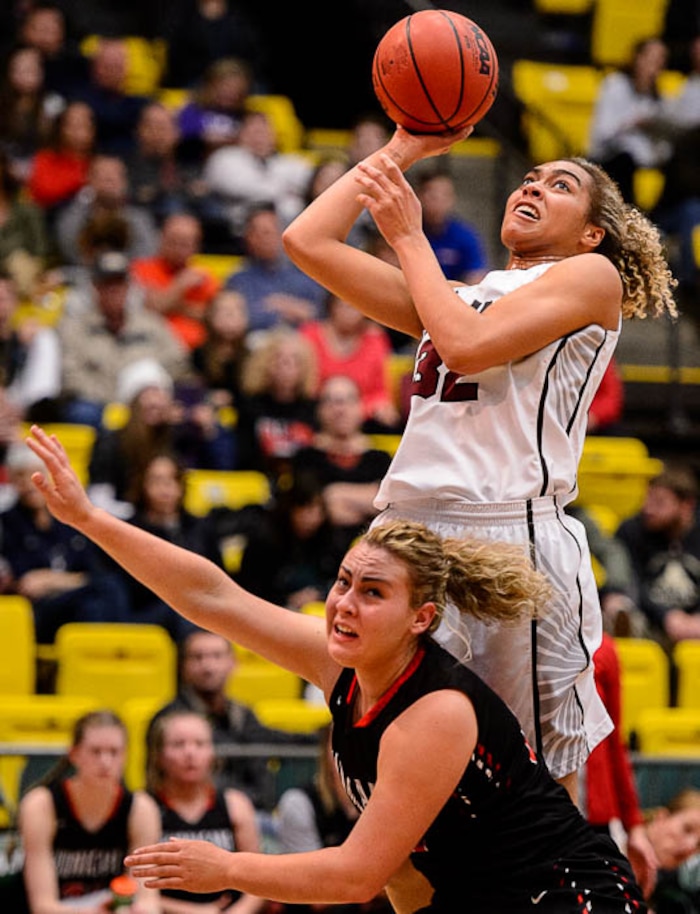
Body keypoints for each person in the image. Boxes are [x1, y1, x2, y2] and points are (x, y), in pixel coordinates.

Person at [22, 426, 649, 913]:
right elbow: (212, 597)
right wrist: (89, 520)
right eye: (344, 582)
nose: (345, 603)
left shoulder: (436, 712)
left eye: (373, 593)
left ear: (420, 618)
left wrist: (229, 867)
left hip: (570, 895)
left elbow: (357, 876)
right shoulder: (337, 662)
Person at [280, 123, 677, 800]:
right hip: (407, 536)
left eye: (561, 184)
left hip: (503, 534)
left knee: (522, 780)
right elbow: (307, 242)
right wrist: (402, 148)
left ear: (591, 232)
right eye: (531, 176)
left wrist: (409, 236)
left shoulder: (590, 275)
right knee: (396, 770)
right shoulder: (460, 298)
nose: (533, 184)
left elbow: (465, 347)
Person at [148, 629, 317, 810]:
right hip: (193, 813)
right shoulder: (170, 719)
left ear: (232, 663)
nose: (208, 666)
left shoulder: (242, 714)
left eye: (217, 656)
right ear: (183, 666)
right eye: (197, 657)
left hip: (253, 810)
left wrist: (326, 734)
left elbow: (276, 739)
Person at [18, 709, 162, 913]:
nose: (105, 762)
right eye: (95, 752)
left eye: (114, 752)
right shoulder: (41, 805)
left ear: (126, 755)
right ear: (74, 754)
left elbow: (148, 899)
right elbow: (43, 907)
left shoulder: (141, 808)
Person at [0, 441, 131, 644]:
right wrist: (77, 580)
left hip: (80, 603)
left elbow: (95, 571)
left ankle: (107, 656)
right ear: (12, 482)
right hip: (38, 613)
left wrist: (51, 580)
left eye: (36, 475)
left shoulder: (69, 520)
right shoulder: (6, 523)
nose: (29, 483)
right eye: (20, 476)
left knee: (98, 600)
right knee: (104, 592)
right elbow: (26, 584)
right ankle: (116, 651)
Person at [146, 709, 267, 914]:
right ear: (159, 755)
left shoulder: (235, 804)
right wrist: (193, 911)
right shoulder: (146, 807)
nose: (190, 753)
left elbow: (258, 881)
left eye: (200, 744)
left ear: (212, 753)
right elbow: (135, 888)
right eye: (178, 744)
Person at [88, 356, 235, 515]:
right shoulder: (110, 442)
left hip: (169, 522)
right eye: (146, 394)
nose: (154, 402)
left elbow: (222, 468)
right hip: (124, 520)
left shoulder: (177, 437)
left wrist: (208, 431)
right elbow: (99, 499)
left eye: (159, 393)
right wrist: (135, 518)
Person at [58, 251, 189, 427]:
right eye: (107, 283)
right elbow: (71, 376)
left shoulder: (151, 323)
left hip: (148, 405)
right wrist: (117, 399)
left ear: (129, 286)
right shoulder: (74, 327)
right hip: (99, 407)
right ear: (95, 287)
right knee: (81, 412)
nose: (114, 289)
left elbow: (178, 361)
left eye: (119, 282)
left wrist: (150, 394)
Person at [583, 632, 659, 899]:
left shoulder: (602, 646)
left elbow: (615, 742)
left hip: (596, 820)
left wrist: (634, 827)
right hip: (541, 812)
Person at [290, 375, 392, 553]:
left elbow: (391, 510)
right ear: (319, 409)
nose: (340, 409)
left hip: (375, 554)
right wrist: (368, 504)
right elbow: (310, 516)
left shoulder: (379, 459)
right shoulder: (306, 458)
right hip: (319, 555)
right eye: (332, 401)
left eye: (348, 400)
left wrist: (335, 494)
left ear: (360, 407)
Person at [615, 464, 700, 647]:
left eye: (659, 502)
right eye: (647, 499)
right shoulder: (631, 531)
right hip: (648, 619)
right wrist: (666, 616)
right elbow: (630, 584)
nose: (648, 509)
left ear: (687, 505)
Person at [588, 37, 675, 204]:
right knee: (625, 160)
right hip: (609, 159)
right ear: (637, 58)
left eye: (660, 62)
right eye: (652, 59)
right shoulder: (615, 85)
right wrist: (634, 123)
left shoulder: (660, 100)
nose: (655, 67)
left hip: (644, 162)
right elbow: (603, 133)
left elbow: (662, 149)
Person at [300, 293, 401, 432]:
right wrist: (333, 407)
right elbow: (304, 388)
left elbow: (380, 392)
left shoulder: (375, 338)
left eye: (354, 306)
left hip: (362, 416)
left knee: (389, 418)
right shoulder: (310, 334)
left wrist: (355, 409)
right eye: (343, 305)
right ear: (331, 306)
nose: (349, 312)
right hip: (316, 410)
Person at [203, 110, 313, 238]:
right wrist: (286, 191)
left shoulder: (293, 162)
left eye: (264, 131)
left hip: (289, 231)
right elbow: (241, 187)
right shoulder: (224, 157)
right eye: (253, 132)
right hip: (239, 231)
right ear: (240, 135)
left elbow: (311, 186)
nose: (259, 137)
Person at [224, 204, 326, 335]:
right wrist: (278, 312)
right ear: (249, 238)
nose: (268, 239)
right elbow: (235, 319)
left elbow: (325, 315)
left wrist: (292, 307)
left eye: (274, 231)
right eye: (263, 233)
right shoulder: (238, 280)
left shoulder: (305, 276)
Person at [234, 327, 317, 481]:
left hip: (303, 484)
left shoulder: (313, 408)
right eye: (278, 359)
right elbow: (243, 456)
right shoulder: (249, 405)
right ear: (265, 364)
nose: (285, 366)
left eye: (294, 361)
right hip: (260, 481)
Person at [131, 213, 222, 351]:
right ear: (162, 239)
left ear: (196, 246)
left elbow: (215, 316)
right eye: (174, 241)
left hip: (198, 350)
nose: (179, 248)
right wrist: (181, 284)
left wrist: (169, 302)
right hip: (153, 346)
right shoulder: (140, 269)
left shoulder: (204, 276)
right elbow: (150, 309)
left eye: (185, 243)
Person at [55, 154, 159, 267]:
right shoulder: (73, 218)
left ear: (126, 182)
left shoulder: (140, 218)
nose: (111, 180)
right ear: (89, 180)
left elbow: (147, 255)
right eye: (104, 176)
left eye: (117, 175)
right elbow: (73, 254)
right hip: (85, 276)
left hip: (131, 278)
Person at [414, 166, 488, 284]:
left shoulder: (465, 235)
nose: (440, 201)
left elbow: (476, 276)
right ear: (419, 196)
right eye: (434, 195)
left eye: (446, 195)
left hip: (452, 296)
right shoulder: (406, 231)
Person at [27, 99, 95, 221]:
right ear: (61, 128)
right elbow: (44, 191)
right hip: (50, 219)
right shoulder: (46, 157)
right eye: (72, 126)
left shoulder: (98, 161)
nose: (78, 133)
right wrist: (80, 180)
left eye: (84, 126)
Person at [644, 789, 700, 912]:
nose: (690, 847)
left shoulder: (659, 882)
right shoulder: (611, 847)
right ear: (661, 818)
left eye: (699, 844)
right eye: (687, 829)